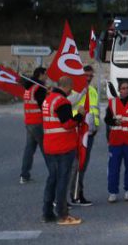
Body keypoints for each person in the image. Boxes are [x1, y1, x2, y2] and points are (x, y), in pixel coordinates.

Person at [42, 76, 84, 225]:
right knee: (62, 181)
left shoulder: (48, 99)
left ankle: (47, 213)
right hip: (63, 146)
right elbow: (67, 123)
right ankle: (63, 215)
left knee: (52, 179)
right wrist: (80, 115)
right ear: (68, 88)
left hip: (49, 145)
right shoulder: (62, 101)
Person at [105, 80, 128, 203]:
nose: (125, 90)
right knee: (113, 168)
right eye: (123, 88)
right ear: (119, 90)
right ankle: (112, 192)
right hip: (115, 141)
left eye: (127, 88)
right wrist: (114, 122)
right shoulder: (112, 103)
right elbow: (107, 119)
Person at [69, 65, 99, 206]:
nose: (88, 78)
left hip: (89, 133)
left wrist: (96, 127)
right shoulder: (74, 91)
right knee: (75, 166)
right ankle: (72, 195)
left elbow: (95, 111)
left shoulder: (93, 91)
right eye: (86, 75)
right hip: (76, 131)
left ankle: (78, 193)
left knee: (83, 166)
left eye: (91, 76)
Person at [20, 67, 48, 184]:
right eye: (45, 75)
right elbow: (44, 105)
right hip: (38, 122)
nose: (47, 77)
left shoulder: (29, 87)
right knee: (47, 149)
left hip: (29, 122)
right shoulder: (39, 88)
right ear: (40, 75)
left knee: (29, 150)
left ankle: (24, 175)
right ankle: (54, 173)